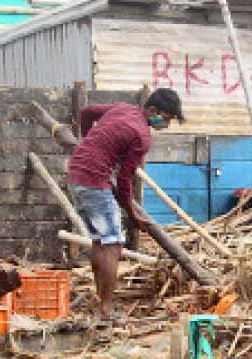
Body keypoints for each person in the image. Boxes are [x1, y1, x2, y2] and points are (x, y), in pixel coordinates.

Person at [66, 88, 184, 322]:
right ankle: (106, 309)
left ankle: (102, 303)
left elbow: (87, 113)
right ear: (153, 111)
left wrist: (87, 142)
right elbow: (124, 180)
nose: (166, 124)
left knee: (101, 241)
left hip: (75, 176)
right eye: (167, 118)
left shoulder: (123, 108)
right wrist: (132, 214)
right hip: (93, 182)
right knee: (113, 244)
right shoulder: (141, 135)